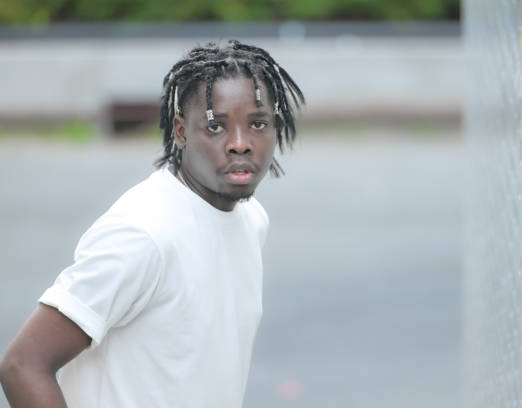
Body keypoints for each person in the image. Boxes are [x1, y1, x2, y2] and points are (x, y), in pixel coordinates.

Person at [0, 40, 305, 408]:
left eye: (258, 124)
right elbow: (23, 365)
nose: (240, 144)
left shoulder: (251, 219)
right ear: (180, 131)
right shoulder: (143, 234)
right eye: (215, 127)